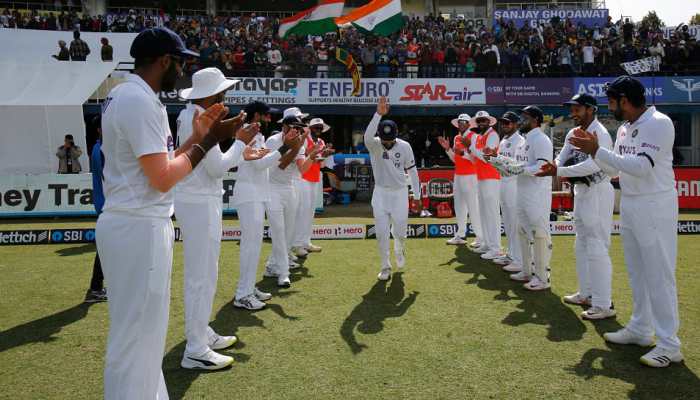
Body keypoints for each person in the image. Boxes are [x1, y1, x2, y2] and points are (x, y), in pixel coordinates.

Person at [96, 27, 233, 399]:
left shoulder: (130, 95)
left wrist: (195, 138)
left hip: (134, 222)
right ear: (164, 61)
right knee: (137, 340)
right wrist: (206, 143)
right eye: (180, 62)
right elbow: (161, 178)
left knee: (142, 337)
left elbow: (160, 162)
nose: (182, 72)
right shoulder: (139, 101)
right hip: (138, 225)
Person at [568, 76, 683, 368]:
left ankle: (670, 345)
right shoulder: (624, 128)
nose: (609, 106)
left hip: (655, 204)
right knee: (637, 272)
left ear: (625, 100)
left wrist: (598, 151)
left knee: (659, 274)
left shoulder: (659, 122)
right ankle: (641, 329)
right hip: (631, 204)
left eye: (612, 101)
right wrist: (594, 154)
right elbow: (612, 167)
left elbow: (642, 167)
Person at [174, 68, 267, 370]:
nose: (226, 96)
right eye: (223, 92)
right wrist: (239, 141)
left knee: (204, 273)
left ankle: (200, 334)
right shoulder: (200, 118)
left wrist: (231, 133)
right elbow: (217, 168)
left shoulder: (192, 114)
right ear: (213, 95)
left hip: (198, 199)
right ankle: (196, 348)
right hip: (199, 200)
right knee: (202, 275)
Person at [536, 93, 616, 320]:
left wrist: (559, 171)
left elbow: (595, 164)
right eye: (572, 109)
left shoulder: (599, 133)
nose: (573, 113)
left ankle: (604, 304)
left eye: (577, 109)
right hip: (581, 192)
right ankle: (586, 293)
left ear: (590, 109)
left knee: (597, 246)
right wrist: (553, 166)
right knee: (581, 243)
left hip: (599, 190)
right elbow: (562, 157)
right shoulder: (573, 132)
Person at [232, 106, 304, 311]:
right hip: (249, 194)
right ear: (257, 115)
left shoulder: (258, 135)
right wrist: (285, 148)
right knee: (250, 246)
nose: (269, 118)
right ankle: (242, 294)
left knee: (254, 246)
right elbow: (259, 165)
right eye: (266, 115)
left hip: (256, 194)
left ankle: (248, 288)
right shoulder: (248, 133)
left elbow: (261, 161)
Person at [486, 106, 553, 291]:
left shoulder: (542, 140)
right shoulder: (525, 142)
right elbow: (515, 164)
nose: (521, 121)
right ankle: (526, 269)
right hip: (521, 191)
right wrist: (496, 160)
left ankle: (542, 277)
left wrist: (519, 169)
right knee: (523, 232)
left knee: (539, 234)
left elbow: (542, 168)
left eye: (525, 118)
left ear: (536, 120)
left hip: (537, 194)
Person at [364, 97, 422, 281]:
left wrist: (417, 196)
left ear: (395, 136)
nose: (386, 143)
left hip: (400, 193)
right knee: (381, 233)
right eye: (384, 140)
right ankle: (385, 266)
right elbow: (367, 136)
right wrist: (378, 115)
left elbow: (412, 172)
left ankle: (399, 247)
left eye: (390, 140)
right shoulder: (374, 144)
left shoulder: (405, 147)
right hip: (380, 193)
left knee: (400, 232)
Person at [264, 115, 323, 287]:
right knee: (279, 230)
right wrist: (294, 147)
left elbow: (302, 168)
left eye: (299, 128)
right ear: (283, 127)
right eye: (293, 127)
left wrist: (311, 156)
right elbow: (280, 164)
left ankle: (271, 266)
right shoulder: (272, 141)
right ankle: (283, 272)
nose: (296, 131)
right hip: (271, 188)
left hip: (289, 188)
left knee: (288, 232)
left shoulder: (300, 142)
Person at [292, 114, 335, 257]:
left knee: (310, 212)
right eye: (315, 127)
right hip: (303, 178)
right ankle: (297, 244)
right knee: (302, 211)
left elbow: (321, 163)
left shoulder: (321, 141)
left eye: (320, 127)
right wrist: (316, 151)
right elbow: (301, 157)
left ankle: (305, 242)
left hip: (315, 178)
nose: (318, 129)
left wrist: (325, 154)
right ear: (309, 128)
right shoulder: (305, 140)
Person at [437, 113, 483, 246]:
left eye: (464, 122)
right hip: (458, 175)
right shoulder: (457, 137)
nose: (461, 124)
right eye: (459, 122)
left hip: (471, 176)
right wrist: (448, 149)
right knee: (459, 207)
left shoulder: (474, 137)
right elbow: (455, 159)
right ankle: (461, 235)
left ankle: (480, 237)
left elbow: (476, 159)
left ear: (469, 124)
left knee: (473, 207)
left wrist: (462, 153)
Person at [467, 111, 503, 260]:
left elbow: (487, 158)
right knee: (484, 213)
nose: (481, 123)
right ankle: (488, 244)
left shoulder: (493, 135)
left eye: (484, 121)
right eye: (479, 121)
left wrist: (473, 148)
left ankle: (496, 248)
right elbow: (476, 157)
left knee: (492, 213)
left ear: (489, 122)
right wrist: (472, 149)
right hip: (482, 177)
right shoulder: (481, 136)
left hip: (492, 177)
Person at [493, 112, 524, 272]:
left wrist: (499, 161)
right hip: (503, 182)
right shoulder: (504, 140)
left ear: (516, 124)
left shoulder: (520, 141)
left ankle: (519, 259)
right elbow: (499, 163)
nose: (504, 125)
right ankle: (511, 254)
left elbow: (518, 166)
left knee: (515, 222)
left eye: (508, 123)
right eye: (503, 122)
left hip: (513, 185)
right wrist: (491, 158)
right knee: (507, 220)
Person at [86, 116, 106, 303]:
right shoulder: (101, 149)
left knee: (106, 248)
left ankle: (96, 287)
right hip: (108, 205)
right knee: (106, 249)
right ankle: (95, 288)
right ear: (100, 129)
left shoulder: (96, 148)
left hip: (104, 204)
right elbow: (107, 177)